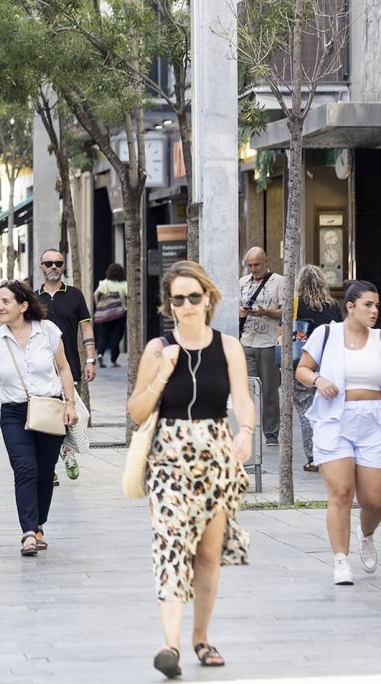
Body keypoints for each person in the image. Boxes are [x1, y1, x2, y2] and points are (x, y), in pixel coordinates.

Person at [128, 260, 252, 678]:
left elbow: (242, 398)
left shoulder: (228, 346)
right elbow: (136, 411)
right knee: (170, 547)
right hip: (168, 460)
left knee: (207, 554)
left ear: (208, 298)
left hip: (215, 458)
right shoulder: (157, 348)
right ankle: (171, 645)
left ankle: (201, 638)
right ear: (170, 304)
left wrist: (247, 430)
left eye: (193, 297)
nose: (186, 305)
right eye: (178, 299)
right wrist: (163, 372)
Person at [0, 279, 79, 557]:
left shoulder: (47, 331)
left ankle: (39, 525)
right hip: (14, 414)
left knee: (45, 474)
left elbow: (64, 368)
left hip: (49, 408)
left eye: (5, 301)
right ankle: (28, 533)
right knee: (25, 469)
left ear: (23, 306)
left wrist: (70, 403)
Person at [295, 280, 381, 586]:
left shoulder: (379, 340)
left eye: (376, 306)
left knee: (374, 500)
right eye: (368, 305)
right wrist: (318, 380)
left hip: (373, 424)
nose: (374, 311)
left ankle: (366, 534)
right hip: (335, 420)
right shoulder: (326, 334)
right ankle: (341, 560)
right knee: (341, 493)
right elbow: (302, 369)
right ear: (351, 307)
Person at [37, 249, 96, 481]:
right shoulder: (32, 298)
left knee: (70, 416)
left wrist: (90, 359)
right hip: (42, 371)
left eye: (58, 263)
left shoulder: (75, 295)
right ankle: (50, 464)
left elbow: (87, 328)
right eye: (49, 263)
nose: (54, 267)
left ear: (63, 266)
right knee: (46, 418)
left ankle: (66, 449)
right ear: (41, 266)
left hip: (69, 367)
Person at [292, 265, 342, 473]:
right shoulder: (333, 305)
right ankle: (330, 453)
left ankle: (313, 456)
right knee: (328, 409)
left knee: (305, 408)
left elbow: (286, 330)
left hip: (303, 362)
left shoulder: (295, 304)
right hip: (329, 362)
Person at [238, 246, 282, 445]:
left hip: (269, 343)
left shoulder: (278, 282)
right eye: (250, 265)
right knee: (247, 390)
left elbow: (286, 312)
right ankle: (248, 430)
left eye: (257, 264)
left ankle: (271, 433)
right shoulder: (241, 283)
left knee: (270, 390)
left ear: (266, 261)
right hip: (247, 341)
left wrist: (266, 312)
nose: (253, 269)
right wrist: (240, 312)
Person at [93, 263, 129, 367]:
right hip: (119, 314)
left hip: (105, 314)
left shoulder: (104, 283)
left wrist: (99, 306)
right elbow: (129, 296)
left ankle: (100, 354)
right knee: (116, 336)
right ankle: (113, 360)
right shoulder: (124, 284)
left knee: (104, 335)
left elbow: (95, 295)